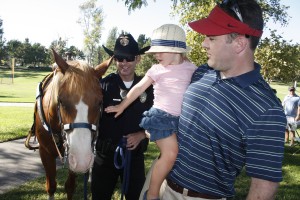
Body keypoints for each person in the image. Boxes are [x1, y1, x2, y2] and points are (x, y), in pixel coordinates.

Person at [159, 0, 286, 199]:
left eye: (211, 38)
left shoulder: (266, 109)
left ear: (240, 44)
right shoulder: (202, 72)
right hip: (162, 185)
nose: (203, 43)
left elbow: (263, 186)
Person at [105, 24, 197, 200]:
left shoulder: (191, 68)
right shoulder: (156, 70)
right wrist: (122, 106)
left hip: (181, 121)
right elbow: (139, 88)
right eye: (155, 51)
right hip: (160, 118)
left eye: (161, 51)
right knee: (171, 154)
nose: (156, 55)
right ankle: (153, 194)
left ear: (176, 50)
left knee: (174, 157)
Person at [91, 33, 154, 200]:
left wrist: (141, 135)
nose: (124, 63)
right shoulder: (103, 85)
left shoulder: (148, 88)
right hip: (104, 158)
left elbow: (157, 120)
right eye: (120, 58)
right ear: (115, 60)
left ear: (138, 59)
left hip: (134, 157)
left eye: (129, 58)